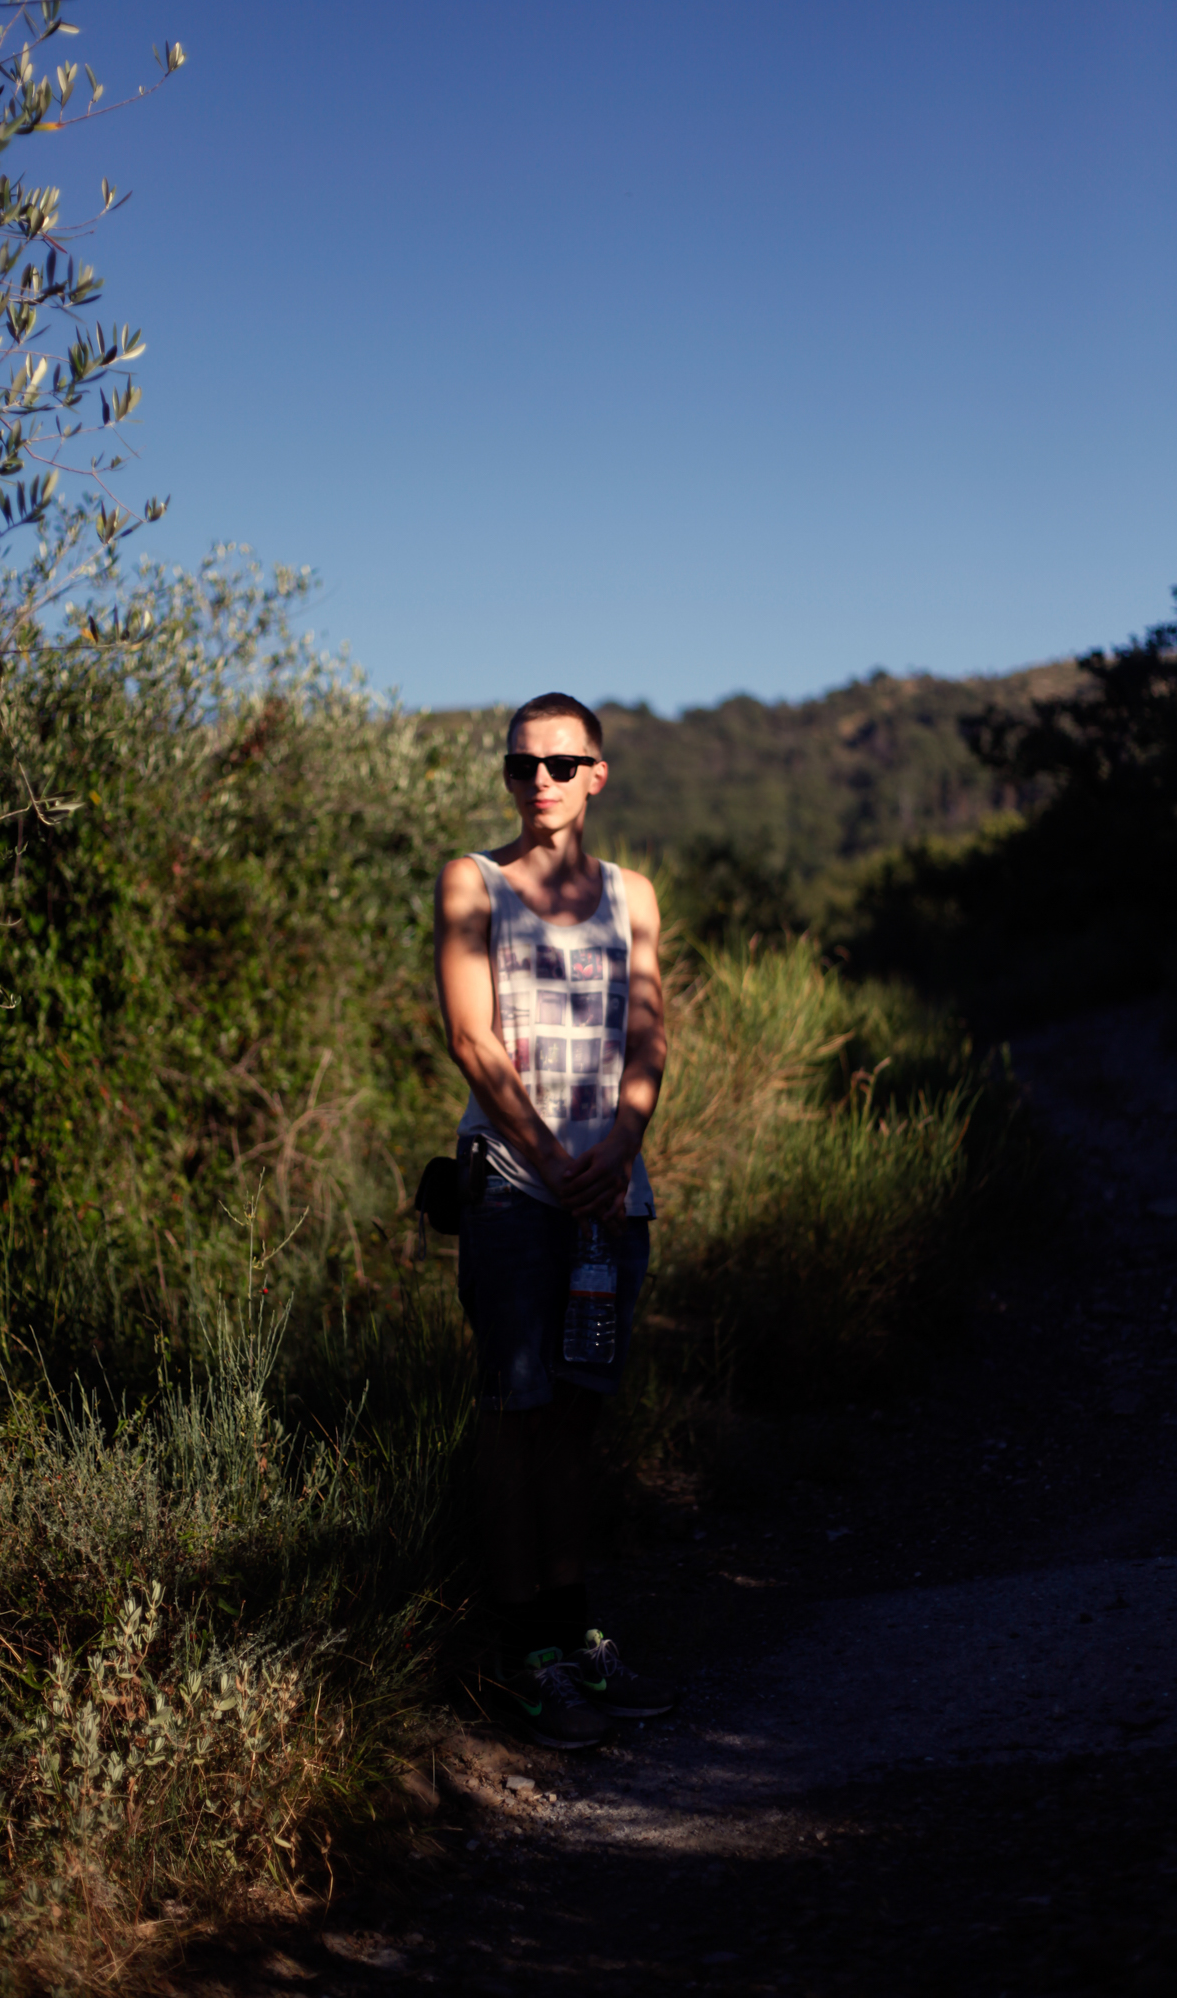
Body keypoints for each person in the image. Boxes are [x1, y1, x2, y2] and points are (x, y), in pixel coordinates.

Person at [434, 691, 677, 1748]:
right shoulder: (472, 881)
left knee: (576, 1415)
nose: (540, 780)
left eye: (561, 764)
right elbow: (470, 1038)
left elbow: (648, 1033)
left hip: (608, 1194)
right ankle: (524, 1654)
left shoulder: (633, 895)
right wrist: (552, 1161)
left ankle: (576, 1634)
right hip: (511, 1188)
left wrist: (617, 1150)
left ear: (597, 775)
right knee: (513, 1410)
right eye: (521, 764)